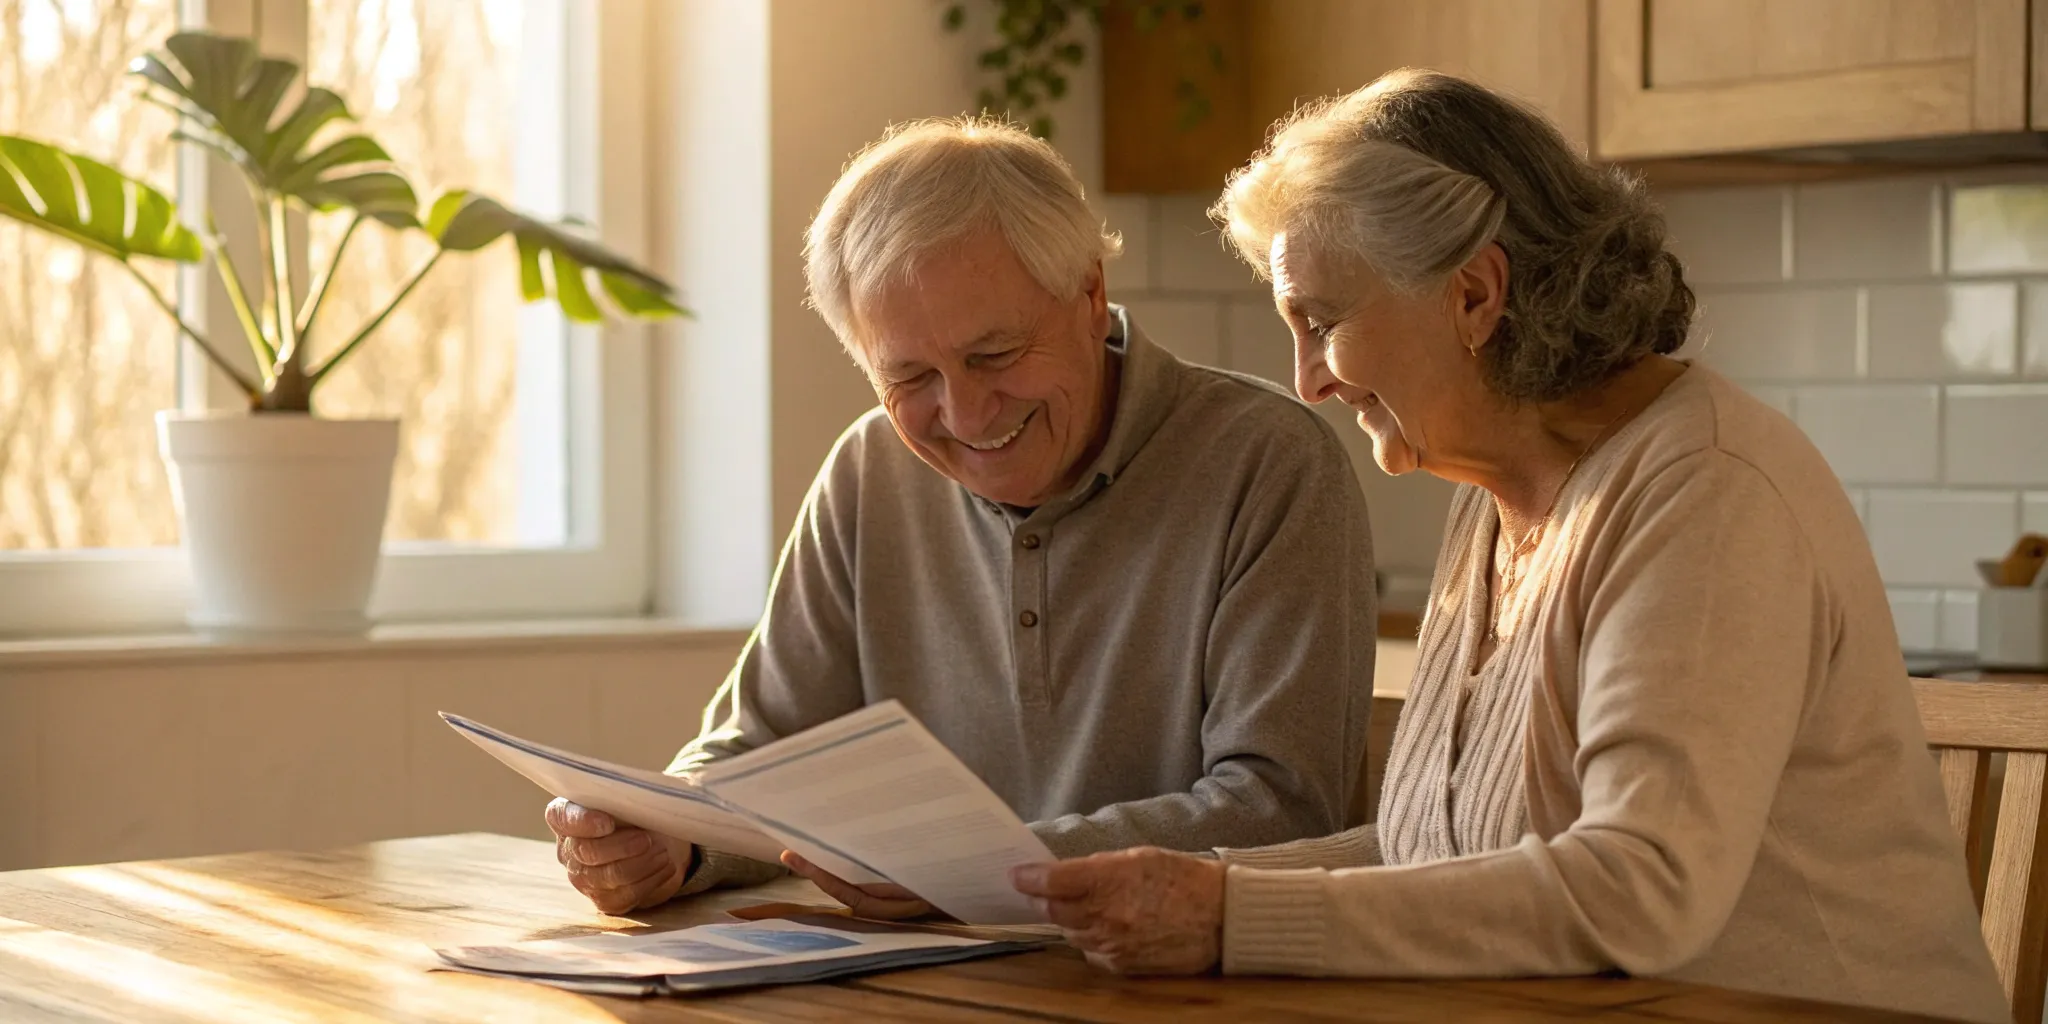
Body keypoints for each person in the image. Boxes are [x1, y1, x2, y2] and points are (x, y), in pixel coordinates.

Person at [1010, 70, 2010, 1023]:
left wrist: (1230, 916)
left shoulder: (1702, 488)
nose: (1308, 379)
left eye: (1320, 322)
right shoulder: (1495, 490)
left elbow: (1638, 887)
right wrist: (1153, 891)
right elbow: (1429, 852)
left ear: (1475, 296)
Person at [545, 117, 1378, 920]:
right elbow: (759, 751)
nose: (968, 413)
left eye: (995, 355)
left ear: (1090, 293)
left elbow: (1282, 809)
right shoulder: (869, 470)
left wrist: (990, 872)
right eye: (909, 376)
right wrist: (673, 841)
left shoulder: (1269, 462)